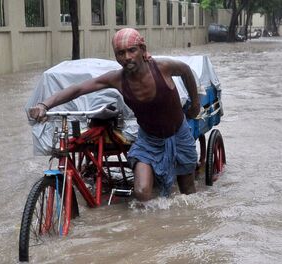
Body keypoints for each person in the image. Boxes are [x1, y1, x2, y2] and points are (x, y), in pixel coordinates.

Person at [28, 28, 200, 201]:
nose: (126, 57)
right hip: (149, 140)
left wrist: (195, 104)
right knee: (141, 192)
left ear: (142, 49)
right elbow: (79, 89)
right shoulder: (117, 79)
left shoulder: (163, 67)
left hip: (178, 135)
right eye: (120, 53)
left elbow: (186, 71)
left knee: (187, 191)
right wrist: (45, 104)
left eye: (132, 50)